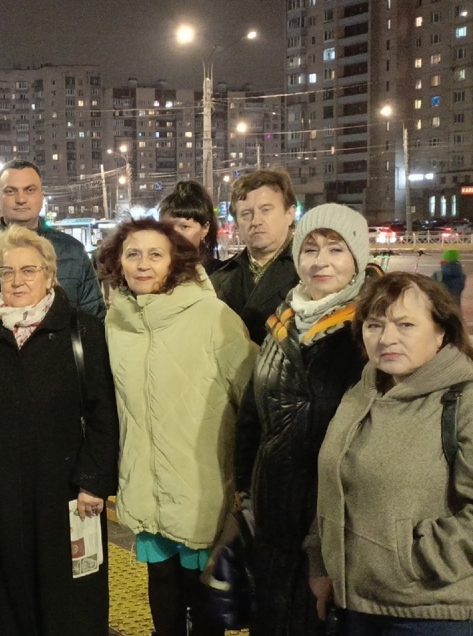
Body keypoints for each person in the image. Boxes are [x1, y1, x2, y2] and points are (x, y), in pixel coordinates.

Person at [0, 225, 119, 636]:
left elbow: (102, 413)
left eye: (28, 271)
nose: (17, 281)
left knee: (71, 594)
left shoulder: (81, 330)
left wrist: (94, 481)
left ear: (49, 275)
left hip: (66, 491)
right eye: (7, 272)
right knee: (7, 587)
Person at [306, 271, 473, 635]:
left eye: (405, 324)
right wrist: (322, 563)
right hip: (358, 607)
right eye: (374, 325)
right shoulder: (362, 394)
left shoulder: (469, 403)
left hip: (437, 614)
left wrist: (410, 563)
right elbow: (334, 486)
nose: (387, 338)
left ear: (441, 332)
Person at [99, 218, 257, 636]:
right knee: (161, 584)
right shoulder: (116, 323)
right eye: (132, 254)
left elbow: (253, 398)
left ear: (176, 262)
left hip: (201, 487)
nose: (143, 264)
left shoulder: (212, 316)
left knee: (202, 592)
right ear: (118, 262)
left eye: (155, 254)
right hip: (146, 484)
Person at [226, 204, 378, 636]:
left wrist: (327, 544)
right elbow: (254, 414)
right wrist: (245, 492)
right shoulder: (283, 321)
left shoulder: (371, 332)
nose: (320, 261)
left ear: (357, 257)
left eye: (335, 249)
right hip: (272, 518)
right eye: (310, 249)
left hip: (331, 526)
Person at [0, 160, 106, 319]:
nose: (21, 199)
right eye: (11, 191)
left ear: (41, 197)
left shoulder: (73, 251)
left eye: (29, 190)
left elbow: (94, 318)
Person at [210, 169, 300, 345]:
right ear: (236, 224)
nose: (256, 221)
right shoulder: (218, 280)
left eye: (266, 210)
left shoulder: (310, 275)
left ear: (289, 214)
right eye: (246, 214)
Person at [158, 181, 222, 274]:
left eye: (184, 227)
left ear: (205, 228)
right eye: (167, 226)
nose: (175, 233)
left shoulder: (220, 275)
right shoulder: (153, 272)